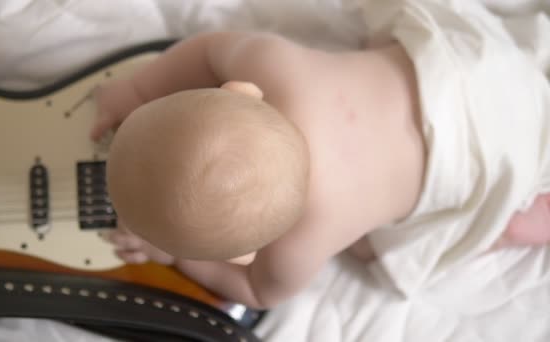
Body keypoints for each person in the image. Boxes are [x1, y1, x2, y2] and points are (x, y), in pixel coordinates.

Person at [91, 31, 550, 309]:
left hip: (495, 163)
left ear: (244, 253)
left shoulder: (298, 247)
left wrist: (174, 258)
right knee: (395, 51)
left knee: (377, 252)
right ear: (240, 91)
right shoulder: (272, 65)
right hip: (477, 68)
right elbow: (210, 48)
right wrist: (136, 90)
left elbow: (260, 294)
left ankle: (512, 228)